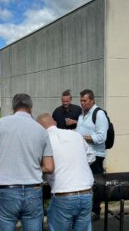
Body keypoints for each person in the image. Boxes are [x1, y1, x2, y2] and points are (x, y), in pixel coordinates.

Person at [0, 93, 54, 231]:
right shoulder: (41, 131)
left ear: (13, 107)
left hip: (7, 191)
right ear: (31, 108)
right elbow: (49, 166)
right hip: (33, 190)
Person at [37, 113, 95, 231]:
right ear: (54, 122)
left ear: (39, 128)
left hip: (63, 194)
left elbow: (40, 165)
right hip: (86, 192)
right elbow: (92, 156)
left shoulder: (43, 140)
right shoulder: (75, 135)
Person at [76, 89, 108, 220]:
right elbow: (79, 130)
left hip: (96, 155)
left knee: (96, 184)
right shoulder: (82, 114)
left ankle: (96, 211)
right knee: (85, 183)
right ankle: (85, 210)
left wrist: (81, 138)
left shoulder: (99, 114)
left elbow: (101, 137)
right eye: (81, 101)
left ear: (92, 100)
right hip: (84, 154)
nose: (82, 103)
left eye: (85, 100)